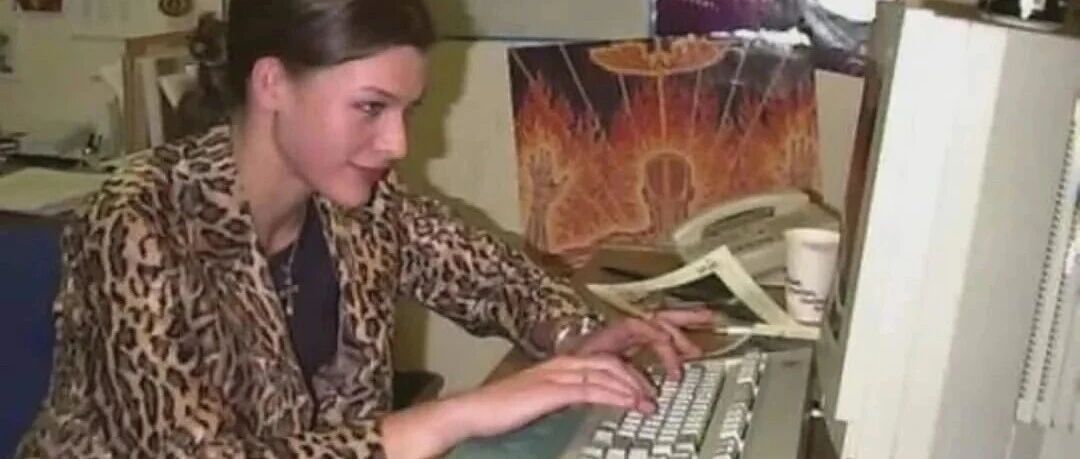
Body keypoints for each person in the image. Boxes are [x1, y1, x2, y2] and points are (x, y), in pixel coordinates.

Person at [16, 1, 714, 457]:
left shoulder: (363, 204)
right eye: (371, 107)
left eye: (407, 111)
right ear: (272, 84)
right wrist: (452, 417)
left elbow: (496, 280)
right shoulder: (135, 224)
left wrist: (575, 336)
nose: (397, 143)